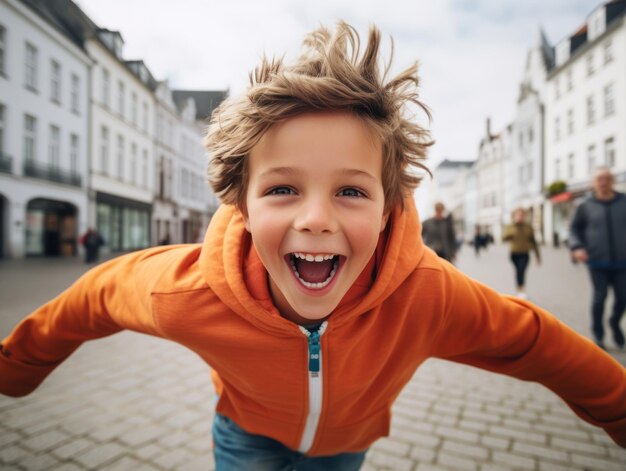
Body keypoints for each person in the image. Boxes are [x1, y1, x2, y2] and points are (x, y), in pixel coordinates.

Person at [1, 22, 625, 469]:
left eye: (352, 192)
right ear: (241, 204)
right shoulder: (185, 290)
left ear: (389, 210)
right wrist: (17, 366)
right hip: (244, 437)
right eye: (282, 189)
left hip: (346, 447)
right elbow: (99, 296)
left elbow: (531, 340)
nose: (317, 219)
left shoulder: (426, 295)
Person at [570, 166, 626, 350]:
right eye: (600, 178)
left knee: (623, 297)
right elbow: (574, 229)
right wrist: (577, 247)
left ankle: (615, 322)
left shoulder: (623, 201)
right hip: (596, 260)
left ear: (612, 180)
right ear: (593, 183)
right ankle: (598, 334)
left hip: (622, 260)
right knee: (599, 297)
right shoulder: (585, 205)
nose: (603, 181)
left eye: (607, 178)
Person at [502, 208, 541, 299]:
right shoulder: (510, 226)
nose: (520, 217)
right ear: (514, 216)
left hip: (525, 253)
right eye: (518, 215)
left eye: (522, 215)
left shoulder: (528, 227)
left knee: (521, 270)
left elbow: (533, 242)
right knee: (518, 271)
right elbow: (504, 238)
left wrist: (538, 256)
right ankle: (519, 288)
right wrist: (514, 228)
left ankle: (521, 290)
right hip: (514, 253)